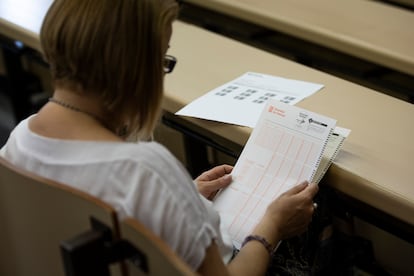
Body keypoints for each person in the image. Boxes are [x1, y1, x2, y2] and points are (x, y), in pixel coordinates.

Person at [0, 0, 319, 275]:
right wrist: (272, 226)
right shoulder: (145, 171)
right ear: (135, 66)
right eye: (162, 59)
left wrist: (181, 200)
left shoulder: (18, 141)